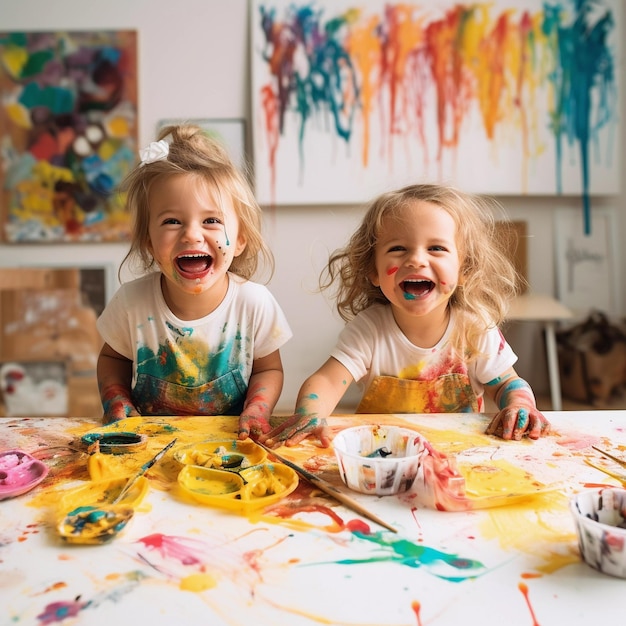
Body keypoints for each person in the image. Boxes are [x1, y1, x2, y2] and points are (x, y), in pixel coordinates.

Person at [260, 184, 550, 447]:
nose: (416, 259)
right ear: (373, 270)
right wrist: (310, 414)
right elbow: (327, 381)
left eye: (436, 248)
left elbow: (506, 384)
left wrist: (519, 404)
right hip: (383, 453)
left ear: (465, 269)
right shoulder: (370, 329)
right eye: (398, 248)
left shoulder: (474, 329)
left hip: (461, 453)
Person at [96, 124, 292, 439]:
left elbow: (269, 369)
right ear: (148, 241)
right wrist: (116, 399)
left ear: (240, 239)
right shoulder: (131, 302)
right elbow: (111, 358)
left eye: (211, 220)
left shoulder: (253, 303)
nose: (191, 234)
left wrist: (257, 409)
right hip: (148, 442)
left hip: (229, 444)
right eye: (172, 221)